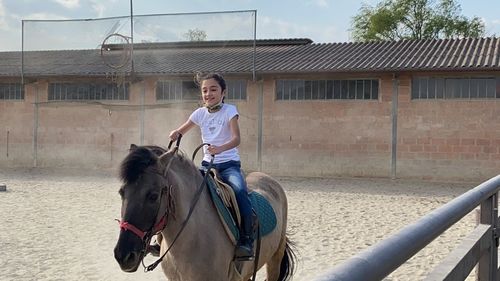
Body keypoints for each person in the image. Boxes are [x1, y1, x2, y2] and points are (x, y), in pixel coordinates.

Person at [169, 73, 254, 260]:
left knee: (239, 191)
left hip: (229, 165)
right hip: (207, 165)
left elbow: (236, 138)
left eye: (213, 89)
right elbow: (183, 129)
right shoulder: (199, 113)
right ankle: (162, 239)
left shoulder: (230, 111)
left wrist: (220, 148)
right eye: (205, 90)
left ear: (223, 92)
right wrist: (176, 133)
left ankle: (246, 239)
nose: (208, 94)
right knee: (181, 190)